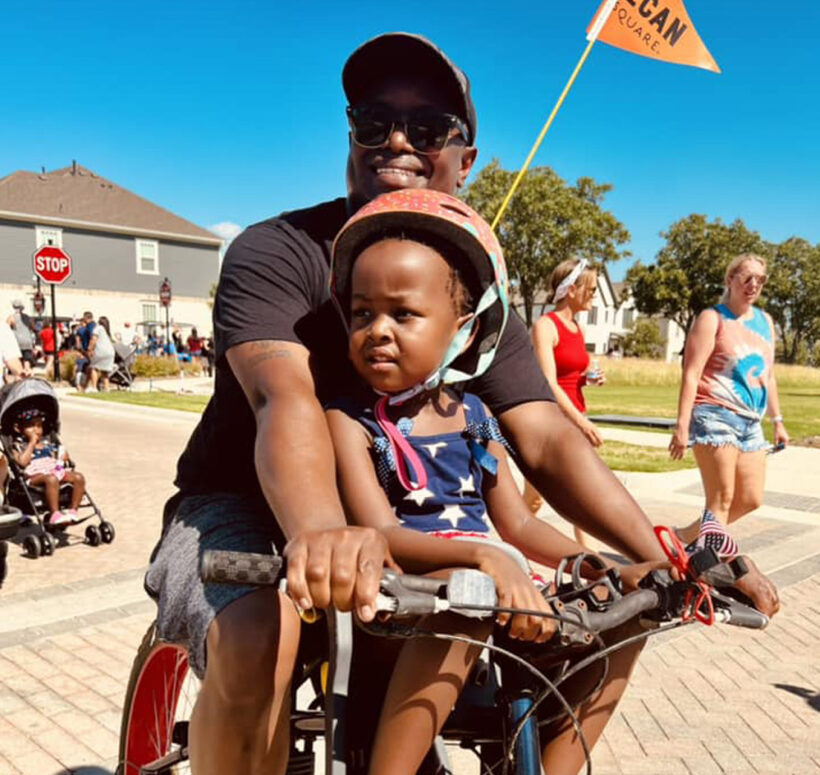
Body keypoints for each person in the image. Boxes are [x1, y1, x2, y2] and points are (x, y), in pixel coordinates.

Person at [144, 32, 778, 775]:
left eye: (428, 127)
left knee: (609, 613)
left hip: (407, 529)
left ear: (466, 158)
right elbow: (282, 398)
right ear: (349, 134)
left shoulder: (471, 294)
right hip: (245, 503)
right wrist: (321, 531)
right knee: (260, 634)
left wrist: (661, 557)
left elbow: (545, 437)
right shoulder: (277, 250)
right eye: (373, 121)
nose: (398, 141)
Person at [326, 189, 659, 775]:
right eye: (362, 314)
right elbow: (378, 529)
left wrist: (594, 564)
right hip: (409, 594)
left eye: (402, 314)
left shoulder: (477, 416)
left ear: (463, 329)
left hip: (498, 582)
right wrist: (482, 561)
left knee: (631, 613)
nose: (378, 330)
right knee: (467, 602)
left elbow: (519, 523)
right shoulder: (349, 422)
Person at [670, 254, 789, 553]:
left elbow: (769, 375)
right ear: (730, 280)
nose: (753, 285)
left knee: (750, 499)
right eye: (746, 277)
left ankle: (682, 537)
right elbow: (692, 373)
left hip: (751, 422)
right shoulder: (713, 318)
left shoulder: (766, 322)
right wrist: (682, 426)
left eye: (760, 280)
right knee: (721, 498)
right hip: (714, 414)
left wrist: (777, 421)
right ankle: (703, 569)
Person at [524, 258, 604, 546]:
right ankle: (514, 556)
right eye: (592, 289)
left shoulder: (576, 328)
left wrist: (586, 380)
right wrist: (582, 423)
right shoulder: (546, 326)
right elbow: (548, 382)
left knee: (581, 496)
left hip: (573, 417)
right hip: (551, 422)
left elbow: (569, 376)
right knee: (533, 502)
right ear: (572, 289)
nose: (594, 295)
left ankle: (592, 564)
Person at [10, 407, 86, 526]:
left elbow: (58, 457)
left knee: (78, 477)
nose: (36, 430)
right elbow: (22, 463)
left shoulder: (46, 443)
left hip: (54, 471)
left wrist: (63, 456)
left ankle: (73, 511)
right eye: (31, 426)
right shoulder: (18, 445)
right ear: (18, 428)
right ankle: (54, 514)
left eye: (39, 426)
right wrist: (31, 443)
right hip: (35, 477)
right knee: (51, 479)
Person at [88, 315, 116, 391]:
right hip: (110, 352)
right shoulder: (107, 331)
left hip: (100, 351)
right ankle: (107, 388)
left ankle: (94, 387)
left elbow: (93, 339)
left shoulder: (97, 328)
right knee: (105, 371)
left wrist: (90, 349)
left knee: (94, 368)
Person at [7, 300, 36, 369]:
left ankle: (19, 374)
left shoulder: (11, 317)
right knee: (27, 360)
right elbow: (33, 327)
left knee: (17, 359)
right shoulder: (28, 317)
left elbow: (6, 329)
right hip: (27, 341)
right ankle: (27, 372)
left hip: (16, 341)